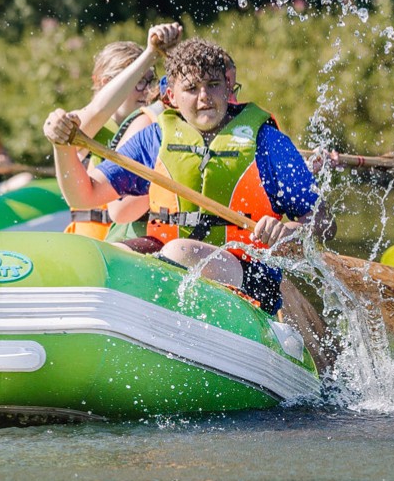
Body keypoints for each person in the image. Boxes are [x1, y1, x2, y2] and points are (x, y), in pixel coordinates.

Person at [42, 37, 333, 314]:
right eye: (192, 88)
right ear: (171, 95)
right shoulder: (155, 139)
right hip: (170, 259)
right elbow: (85, 195)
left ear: (227, 86)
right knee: (112, 254)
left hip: (248, 273)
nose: (204, 97)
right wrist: (62, 148)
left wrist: (288, 231)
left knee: (180, 251)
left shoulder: (267, 142)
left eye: (213, 85)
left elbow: (324, 221)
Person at [63, 25, 181, 240]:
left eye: (150, 79)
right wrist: (149, 54)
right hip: (89, 243)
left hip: (129, 246)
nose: (147, 90)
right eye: (138, 81)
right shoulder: (83, 125)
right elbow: (98, 110)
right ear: (107, 83)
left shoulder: (155, 126)